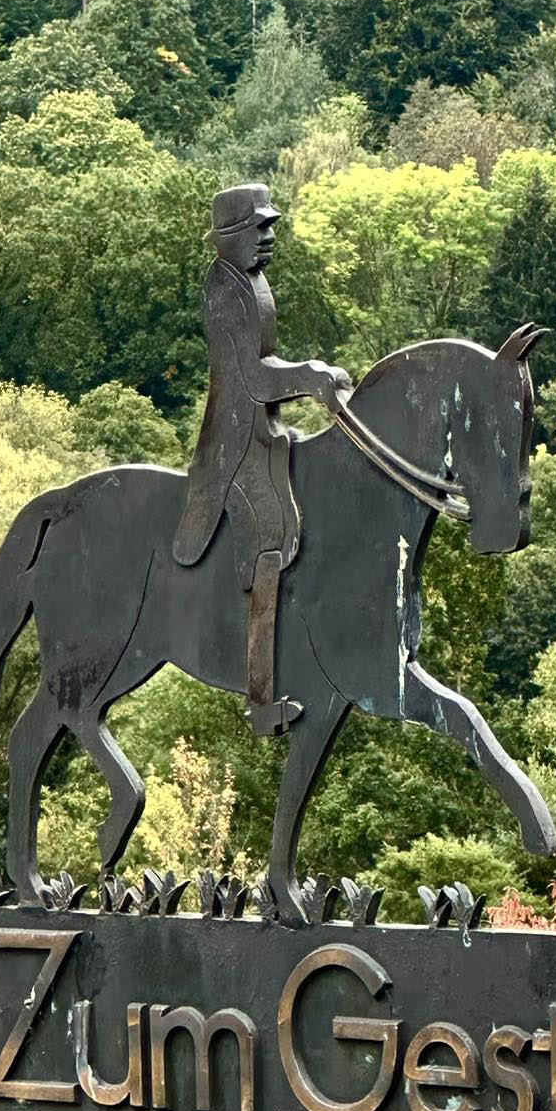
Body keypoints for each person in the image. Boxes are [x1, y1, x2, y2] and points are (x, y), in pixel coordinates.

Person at [174, 184, 350, 735]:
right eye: (259, 228)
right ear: (231, 236)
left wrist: (311, 377)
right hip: (233, 445)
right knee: (270, 536)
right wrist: (309, 376)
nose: (268, 236)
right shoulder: (223, 290)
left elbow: (267, 361)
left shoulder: (252, 281)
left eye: (270, 226)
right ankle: (261, 697)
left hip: (263, 434)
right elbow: (252, 378)